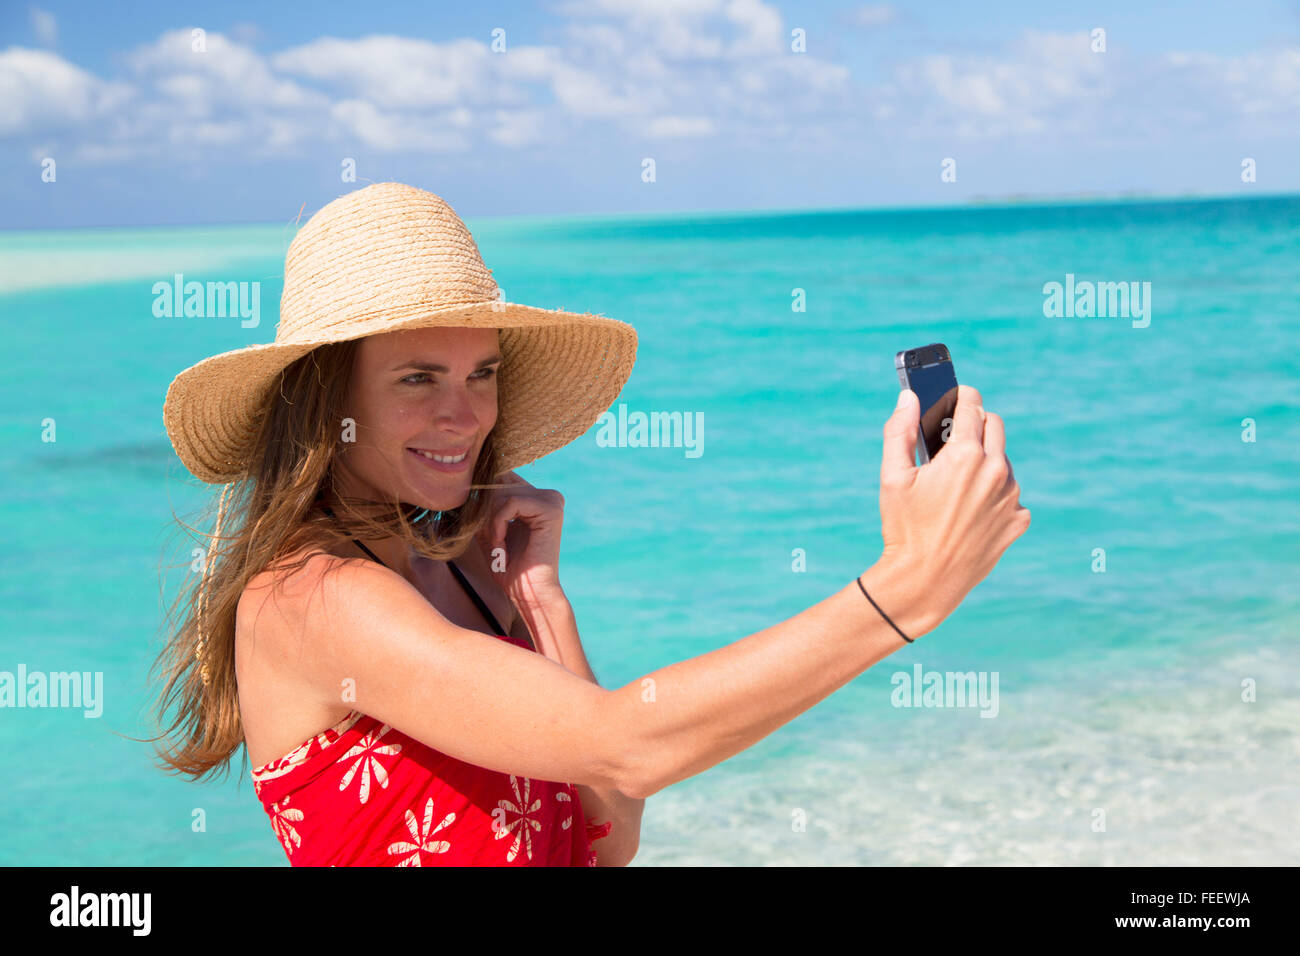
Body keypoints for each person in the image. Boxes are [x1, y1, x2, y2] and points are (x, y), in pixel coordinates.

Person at [149, 182, 1029, 867]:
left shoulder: (451, 574)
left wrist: (542, 601)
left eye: (482, 374)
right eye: (419, 379)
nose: (466, 415)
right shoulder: (315, 599)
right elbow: (633, 744)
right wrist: (902, 591)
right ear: (325, 401)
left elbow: (608, 831)